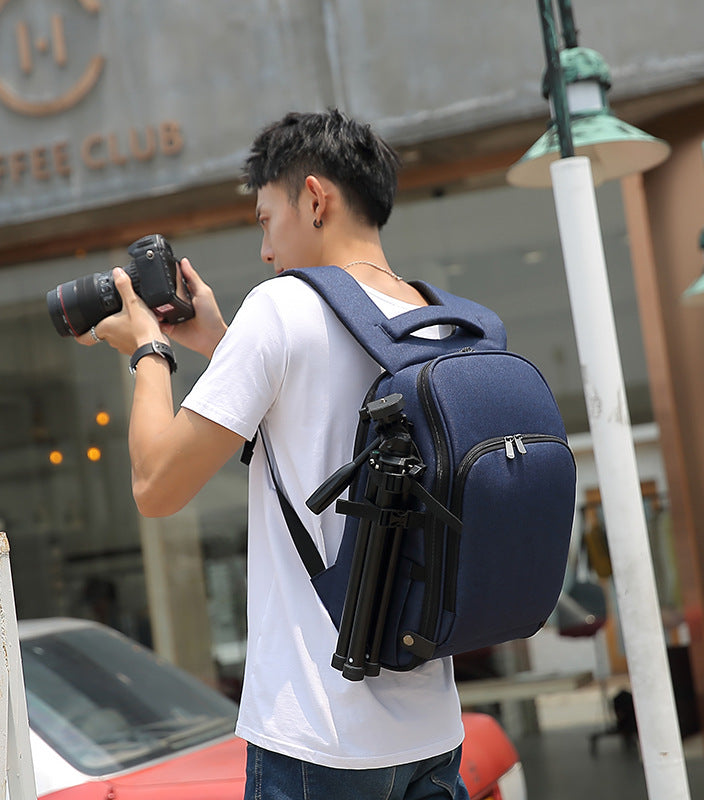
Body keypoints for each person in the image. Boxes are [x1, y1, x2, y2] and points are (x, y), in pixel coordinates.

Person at [79, 109, 468, 800]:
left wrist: (147, 349)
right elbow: (314, 429)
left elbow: (155, 486)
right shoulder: (433, 318)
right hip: (434, 738)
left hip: (318, 742)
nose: (264, 250)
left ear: (314, 199)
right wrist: (222, 341)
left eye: (265, 219)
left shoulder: (282, 307)